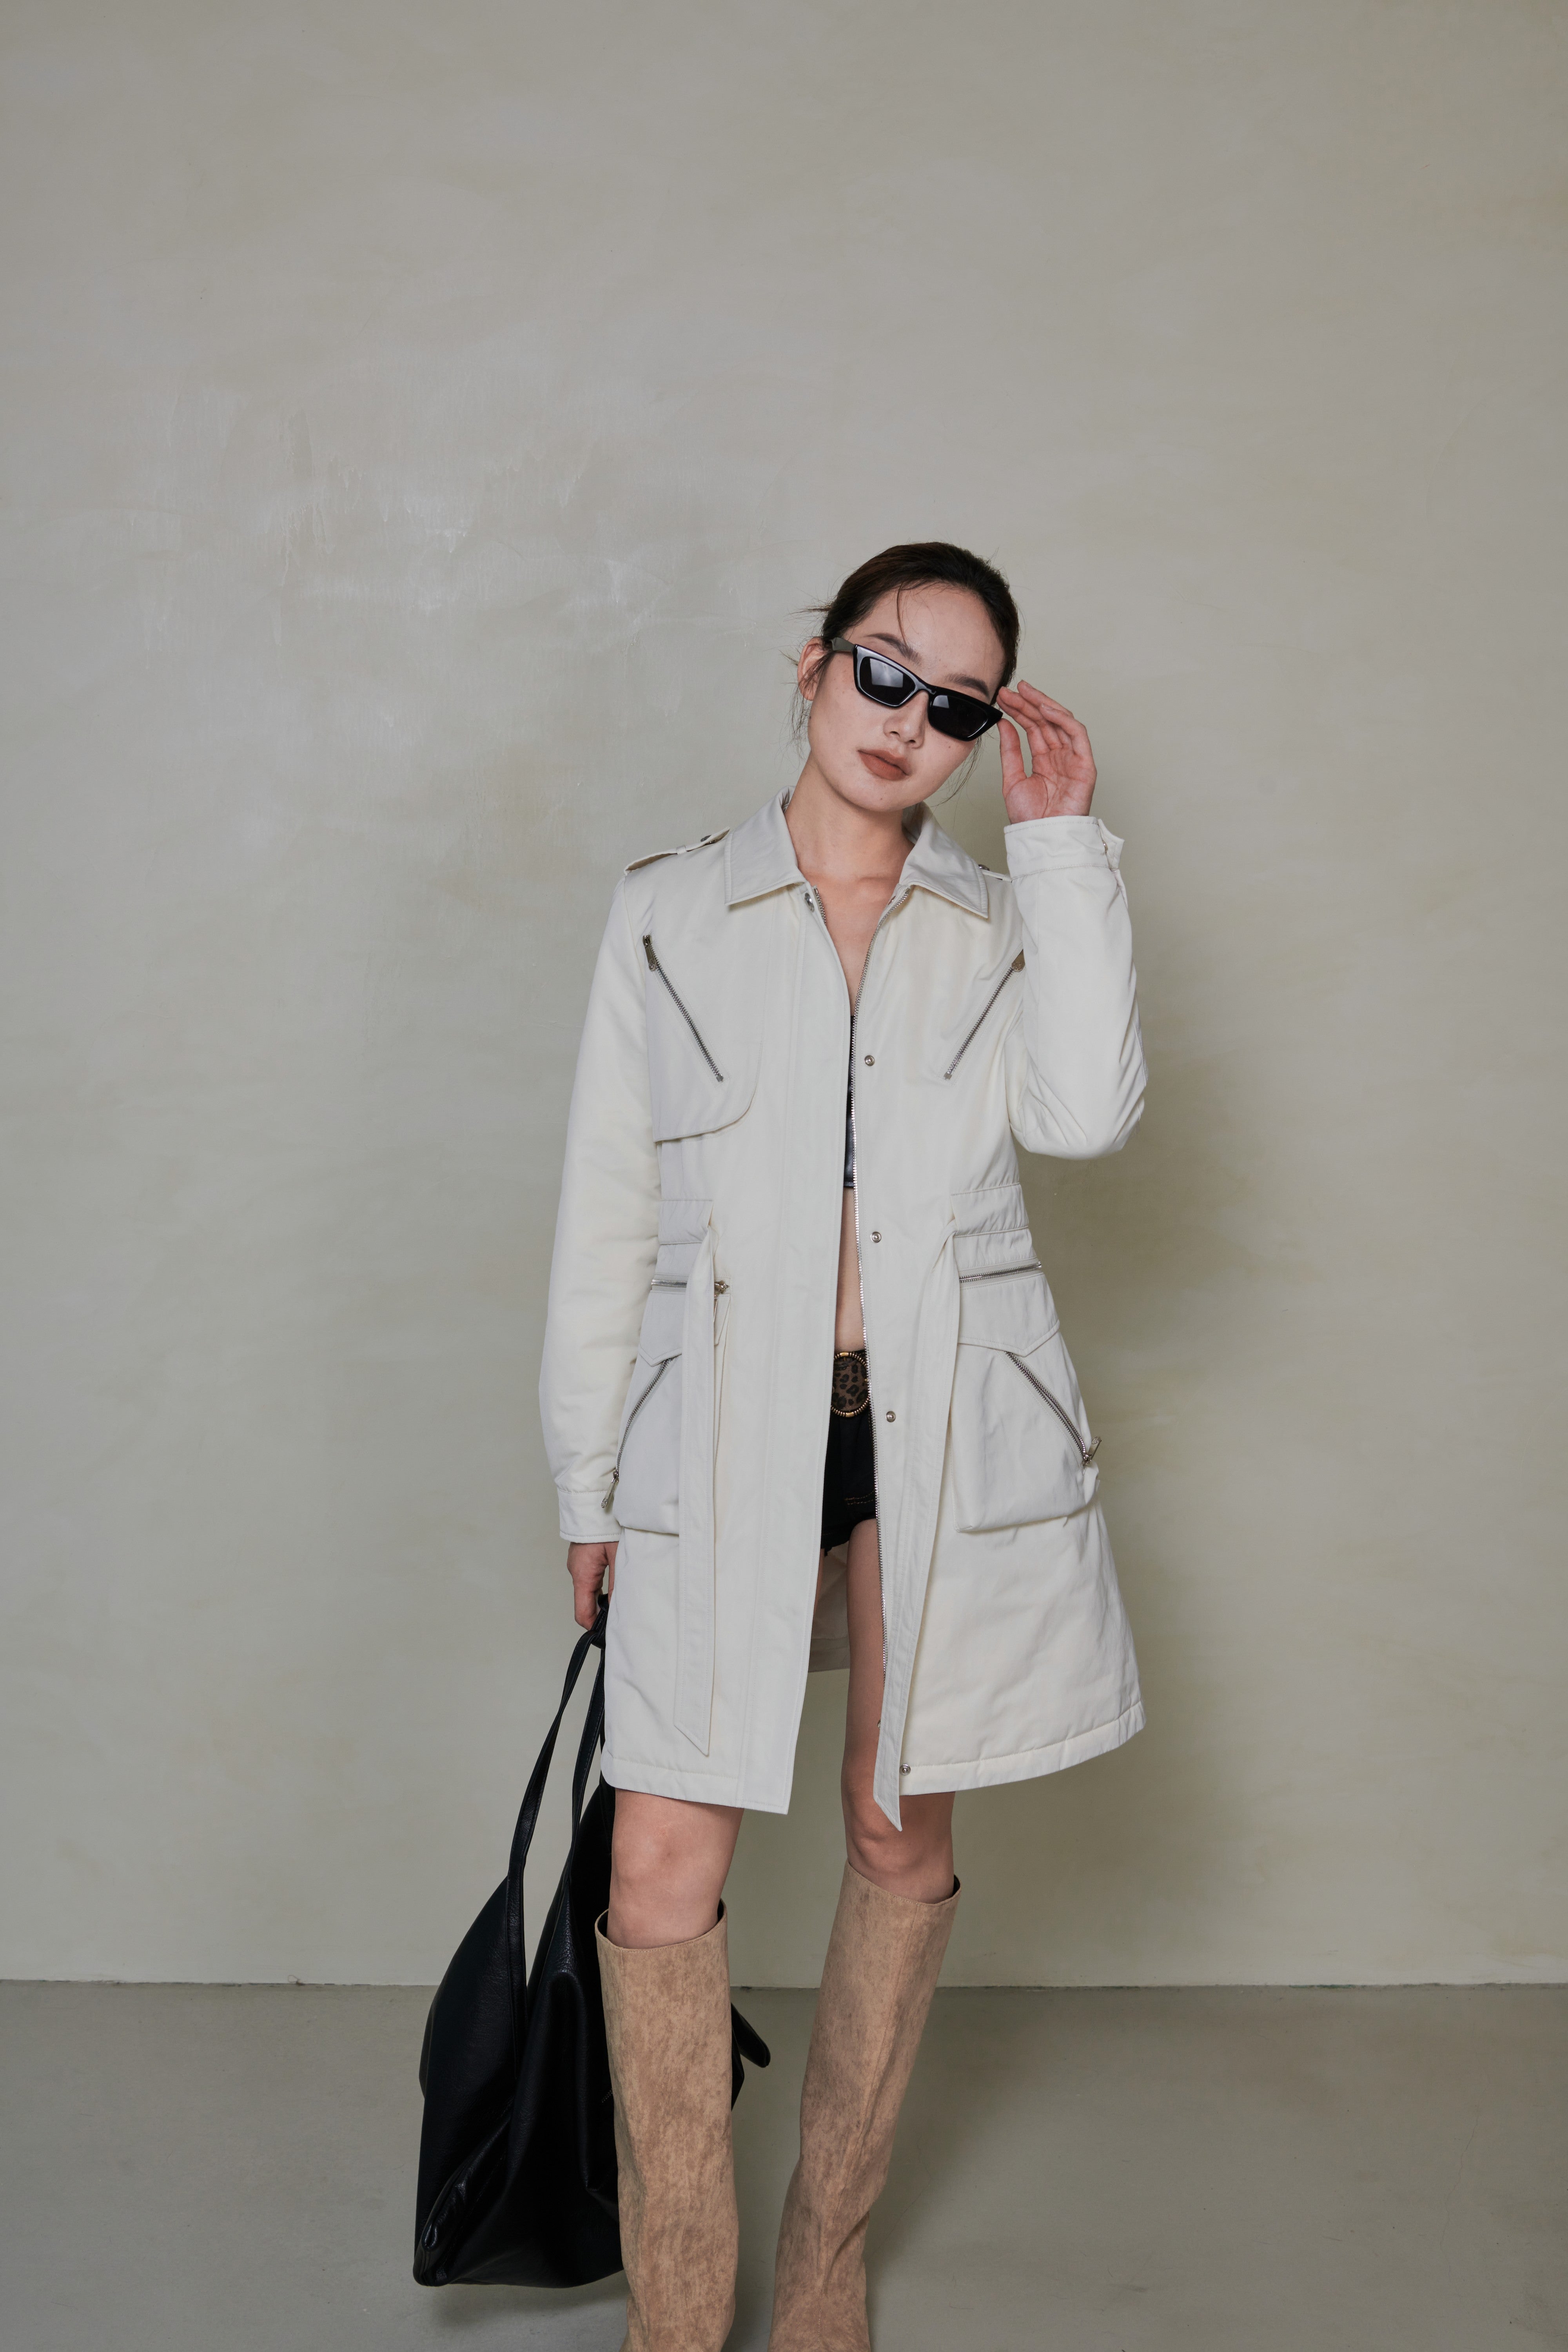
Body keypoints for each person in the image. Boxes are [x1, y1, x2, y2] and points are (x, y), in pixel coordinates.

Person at [539, 541, 1147, 2351]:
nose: (905, 723)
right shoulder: (669, 912)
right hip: (717, 1428)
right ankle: (679, 2313)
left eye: (952, 705)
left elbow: (1085, 1114)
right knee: (660, 1863)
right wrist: (585, 1479)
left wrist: (1062, 850)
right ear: (812, 664)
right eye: (883, 670)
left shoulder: (997, 916)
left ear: (981, 735)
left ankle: (821, 2273)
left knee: (896, 1833)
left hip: (934, 1428)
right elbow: (604, 1217)